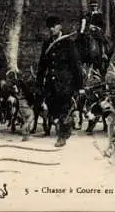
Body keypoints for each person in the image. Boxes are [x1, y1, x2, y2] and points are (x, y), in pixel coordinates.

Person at [36, 16, 84, 147]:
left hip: (66, 83)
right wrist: (39, 83)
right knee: (53, 109)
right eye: (50, 27)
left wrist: (80, 86)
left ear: (60, 27)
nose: (52, 29)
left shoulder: (68, 43)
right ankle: (65, 128)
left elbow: (76, 65)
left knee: (63, 109)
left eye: (54, 26)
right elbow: (42, 66)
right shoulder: (47, 44)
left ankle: (61, 136)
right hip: (51, 83)